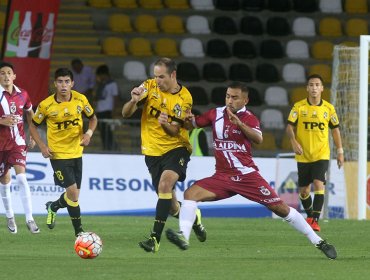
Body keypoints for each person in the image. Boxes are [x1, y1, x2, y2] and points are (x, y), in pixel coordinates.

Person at [165, 82, 337, 260]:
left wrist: (239, 123)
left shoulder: (249, 118)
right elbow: (192, 124)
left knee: (281, 209)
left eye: (235, 97)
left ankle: (319, 242)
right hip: (223, 176)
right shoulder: (215, 114)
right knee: (190, 194)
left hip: (247, 176)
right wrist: (183, 117)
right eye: (227, 96)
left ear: (245, 100)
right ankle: (183, 237)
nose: (230, 100)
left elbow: (259, 139)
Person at [122, 57, 206, 253]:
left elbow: (175, 131)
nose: (157, 80)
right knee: (172, 206)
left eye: (162, 76)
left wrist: (165, 123)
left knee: (165, 184)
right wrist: (133, 101)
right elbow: (126, 113)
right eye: (155, 76)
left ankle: (154, 239)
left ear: (173, 75)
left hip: (177, 147)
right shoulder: (149, 86)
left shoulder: (185, 98)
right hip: (151, 152)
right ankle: (194, 218)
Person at [29, 68, 98, 236]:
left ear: (72, 83)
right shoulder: (46, 105)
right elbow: (32, 125)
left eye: (67, 81)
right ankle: (79, 233)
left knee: (72, 196)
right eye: (60, 82)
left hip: (77, 153)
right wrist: (43, 146)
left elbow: (93, 119)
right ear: (55, 84)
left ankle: (53, 206)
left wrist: (88, 134)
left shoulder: (81, 99)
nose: (63, 85)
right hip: (58, 155)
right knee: (73, 195)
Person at [286, 74, 344, 232]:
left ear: (322, 88)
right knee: (304, 191)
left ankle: (315, 220)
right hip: (303, 155)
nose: (314, 88)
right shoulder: (299, 107)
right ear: (307, 88)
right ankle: (310, 216)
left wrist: (340, 151)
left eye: (317, 85)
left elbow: (336, 131)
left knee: (319, 184)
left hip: (321, 154)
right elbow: (289, 127)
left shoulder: (329, 109)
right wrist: (293, 141)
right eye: (311, 85)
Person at [0, 61, 40, 234]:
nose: (6, 75)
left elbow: (31, 113)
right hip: (1, 145)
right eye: (2, 73)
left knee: (22, 178)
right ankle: (10, 216)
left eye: (9, 72)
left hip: (18, 142)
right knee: (5, 181)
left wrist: (32, 133)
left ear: (14, 76)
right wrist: (2, 121)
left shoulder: (23, 94)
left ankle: (29, 218)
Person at [95, 64, 119, 151]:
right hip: (100, 111)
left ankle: (111, 148)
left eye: (100, 75)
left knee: (107, 132)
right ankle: (106, 147)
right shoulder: (101, 84)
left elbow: (115, 98)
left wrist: (114, 111)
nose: (99, 77)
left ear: (104, 74)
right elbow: (96, 97)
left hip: (107, 110)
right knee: (102, 131)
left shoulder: (112, 84)